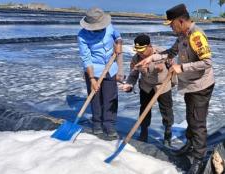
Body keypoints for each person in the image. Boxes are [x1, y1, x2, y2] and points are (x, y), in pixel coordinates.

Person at [135, 4, 215, 174]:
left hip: (201, 86)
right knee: (190, 116)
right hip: (190, 84)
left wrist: (182, 68)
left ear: (180, 21)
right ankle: (189, 144)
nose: (171, 27)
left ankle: (199, 158)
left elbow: (207, 62)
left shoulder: (196, 36)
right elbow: (170, 52)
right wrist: (151, 58)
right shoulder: (181, 36)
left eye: (171, 24)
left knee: (198, 122)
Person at [77, 7, 124, 139]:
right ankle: (97, 123)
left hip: (110, 67)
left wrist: (119, 42)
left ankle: (109, 124)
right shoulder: (82, 36)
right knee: (95, 98)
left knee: (110, 97)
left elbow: (117, 35)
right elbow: (86, 58)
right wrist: (92, 79)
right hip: (94, 70)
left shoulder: (109, 26)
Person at [120, 34, 174, 146]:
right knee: (144, 109)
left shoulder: (162, 53)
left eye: (142, 50)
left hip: (162, 85)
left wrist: (170, 68)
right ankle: (143, 133)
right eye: (138, 50)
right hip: (146, 86)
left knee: (166, 110)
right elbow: (133, 75)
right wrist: (129, 84)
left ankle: (167, 135)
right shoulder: (136, 58)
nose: (140, 53)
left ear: (149, 46)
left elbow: (170, 66)